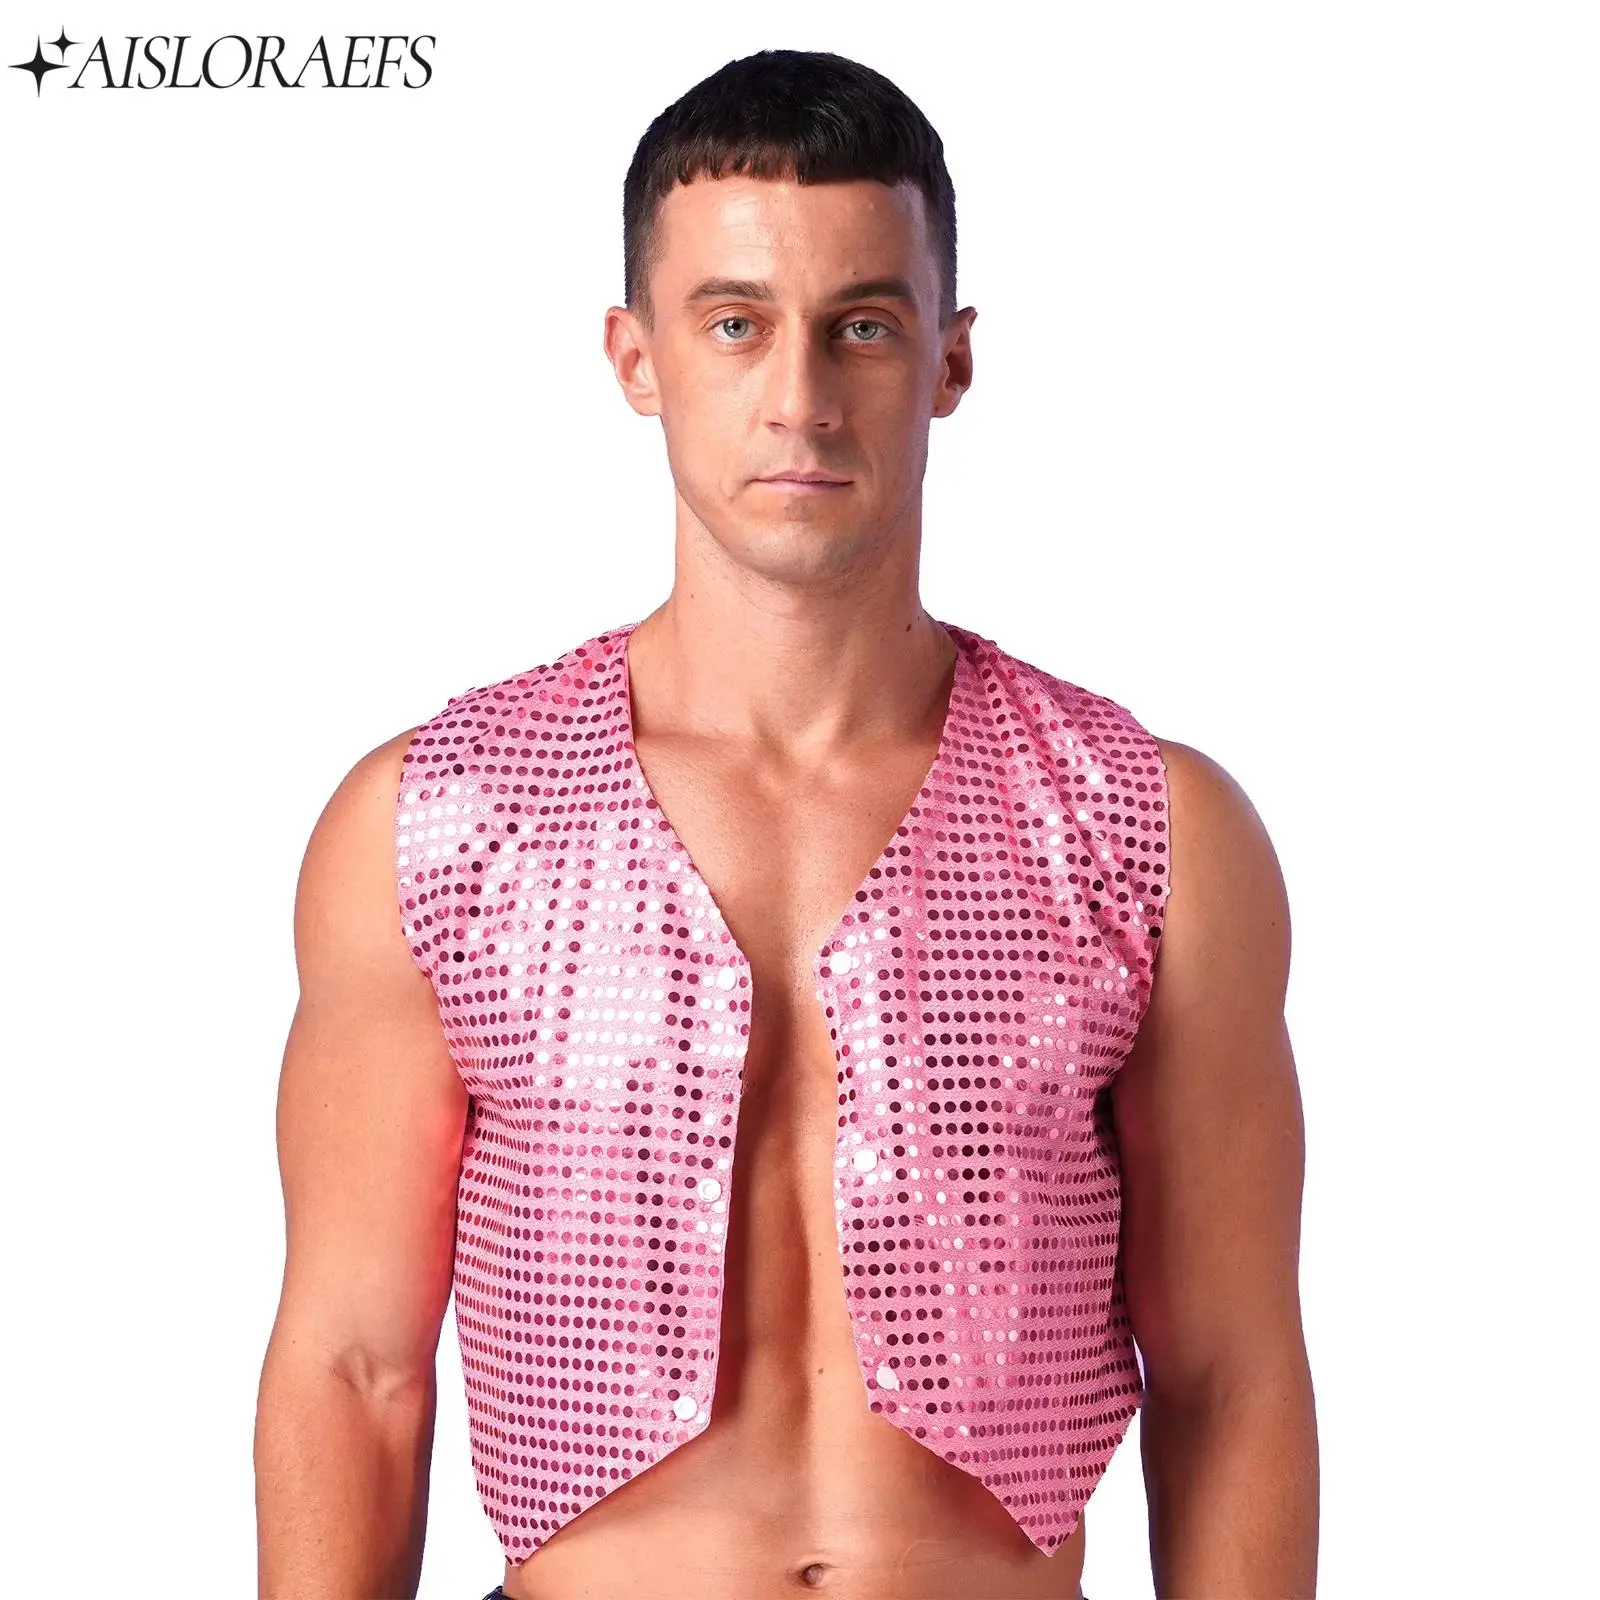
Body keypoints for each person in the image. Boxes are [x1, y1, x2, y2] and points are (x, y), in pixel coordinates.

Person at [254, 48, 1318, 1600]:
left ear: (950, 360)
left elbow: (1230, 1369)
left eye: (862, 326)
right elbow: (354, 1366)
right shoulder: (439, 822)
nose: (802, 398)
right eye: (736, 323)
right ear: (636, 357)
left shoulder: (1148, 829)